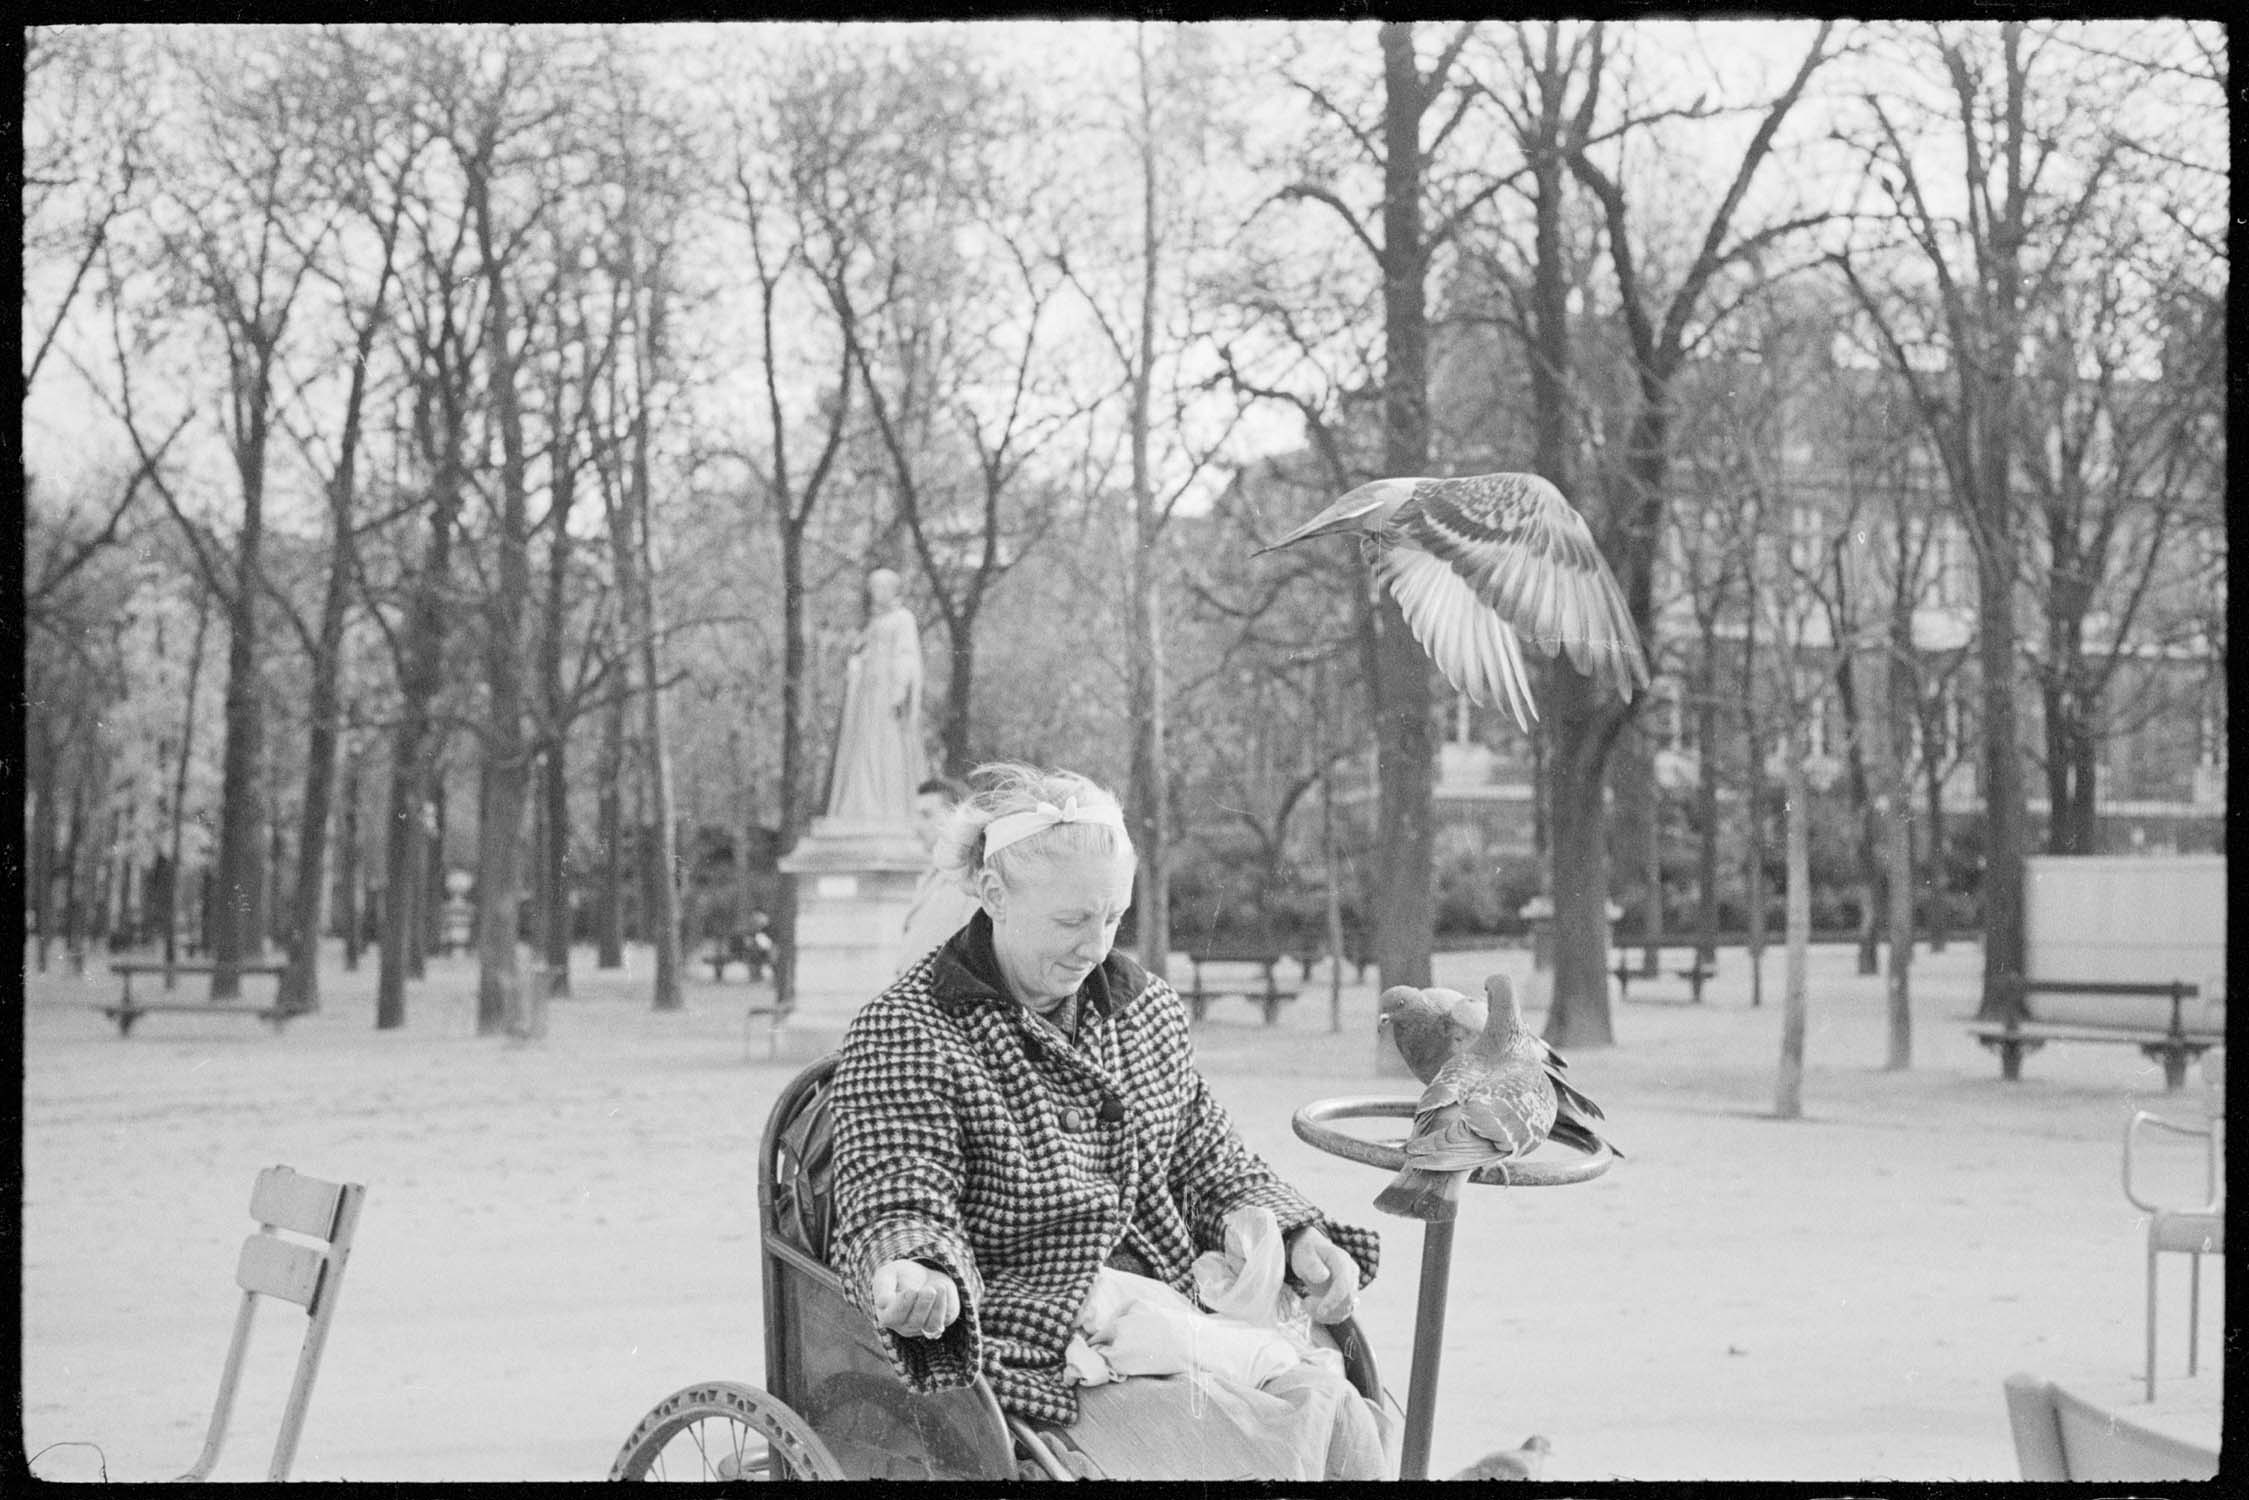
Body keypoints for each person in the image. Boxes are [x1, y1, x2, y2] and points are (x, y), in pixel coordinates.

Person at [826, 763, 1391, 1480]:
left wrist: (1294, 1232)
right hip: (1031, 1351)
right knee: (1296, 1432)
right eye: (1070, 920)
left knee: (1333, 1403)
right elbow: (900, 1200)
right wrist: (916, 1275)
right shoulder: (907, 1031)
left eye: (1112, 916)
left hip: (1173, 1316)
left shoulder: (1142, 1009)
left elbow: (1208, 1162)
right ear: (994, 895)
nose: (1096, 947)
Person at [825, 568, 926, 826]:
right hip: (867, 697)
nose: (876, 593)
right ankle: (863, 804)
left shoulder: (903, 618)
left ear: (893, 590)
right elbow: (862, 654)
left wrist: (900, 688)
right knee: (864, 747)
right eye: (873, 588)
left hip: (887, 694)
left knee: (887, 747)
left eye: (881, 587)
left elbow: (907, 655)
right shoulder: (874, 622)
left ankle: (887, 805)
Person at [897, 776, 982, 974]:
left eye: (926, 815)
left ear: (955, 817)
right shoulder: (932, 877)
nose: (917, 827)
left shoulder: (970, 881)